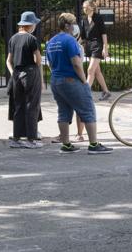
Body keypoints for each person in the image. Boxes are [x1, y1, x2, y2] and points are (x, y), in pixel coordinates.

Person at [46, 13, 112, 154]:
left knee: (63, 112)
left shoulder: (52, 41)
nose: (76, 25)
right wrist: (84, 81)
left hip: (56, 81)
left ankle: (66, 144)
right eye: (74, 22)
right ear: (67, 25)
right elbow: (76, 64)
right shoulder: (70, 41)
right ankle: (93, 144)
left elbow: (50, 64)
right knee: (87, 110)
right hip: (71, 80)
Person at [6, 12, 43, 148]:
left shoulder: (13, 39)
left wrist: (13, 73)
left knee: (18, 106)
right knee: (32, 105)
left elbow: (8, 61)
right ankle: (31, 139)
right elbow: (37, 60)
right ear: (30, 25)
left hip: (16, 74)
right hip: (30, 73)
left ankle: (16, 138)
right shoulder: (31, 39)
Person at [79, 1, 112, 101]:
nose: (85, 9)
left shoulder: (98, 18)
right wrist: (74, 44)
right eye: (83, 7)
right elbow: (83, 36)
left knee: (90, 70)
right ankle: (106, 92)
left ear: (92, 7)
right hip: (89, 46)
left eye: (86, 7)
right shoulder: (83, 20)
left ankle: (85, 95)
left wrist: (105, 48)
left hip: (98, 45)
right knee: (97, 71)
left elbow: (104, 33)